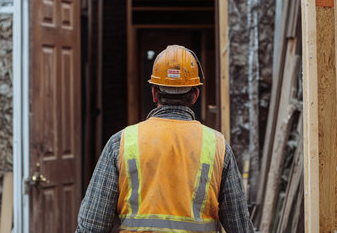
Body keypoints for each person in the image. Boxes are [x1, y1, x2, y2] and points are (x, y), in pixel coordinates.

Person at [76, 45, 254, 232]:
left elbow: (91, 227)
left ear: (154, 93)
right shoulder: (218, 147)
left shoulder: (121, 143)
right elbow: (240, 227)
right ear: (195, 95)